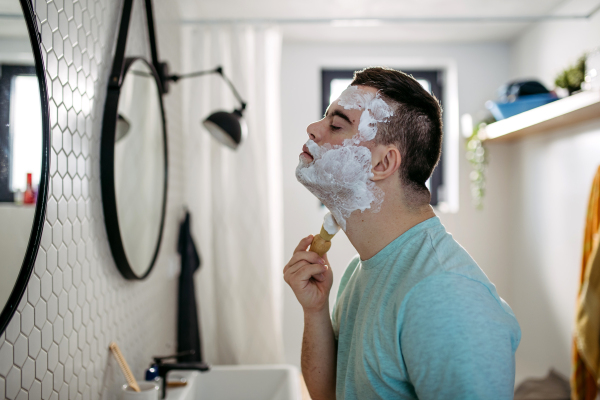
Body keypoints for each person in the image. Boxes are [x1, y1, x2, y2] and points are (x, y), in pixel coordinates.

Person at [283, 67, 521, 400]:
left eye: (336, 124)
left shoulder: (446, 297)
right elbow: (329, 393)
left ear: (381, 165)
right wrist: (315, 311)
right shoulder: (360, 270)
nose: (313, 128)